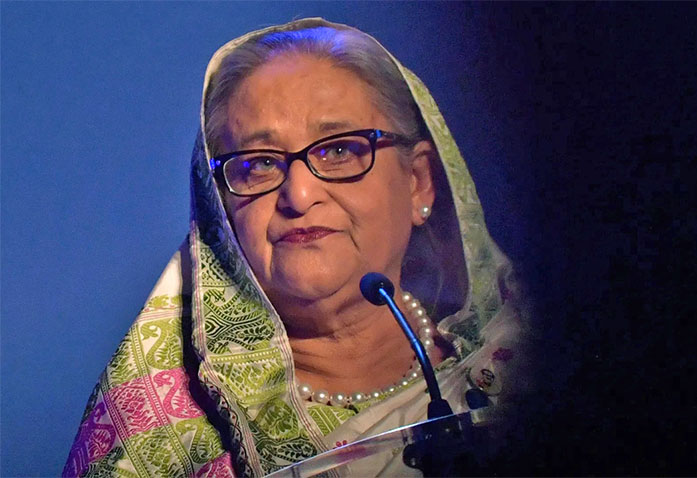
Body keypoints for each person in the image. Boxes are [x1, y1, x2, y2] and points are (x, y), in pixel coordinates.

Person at [64, 18, 527, 477]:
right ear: (219, 213)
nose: (299, 195)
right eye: (259, 164)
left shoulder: (535, 366)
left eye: (339, 151)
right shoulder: (158, 445)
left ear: (418, 182)